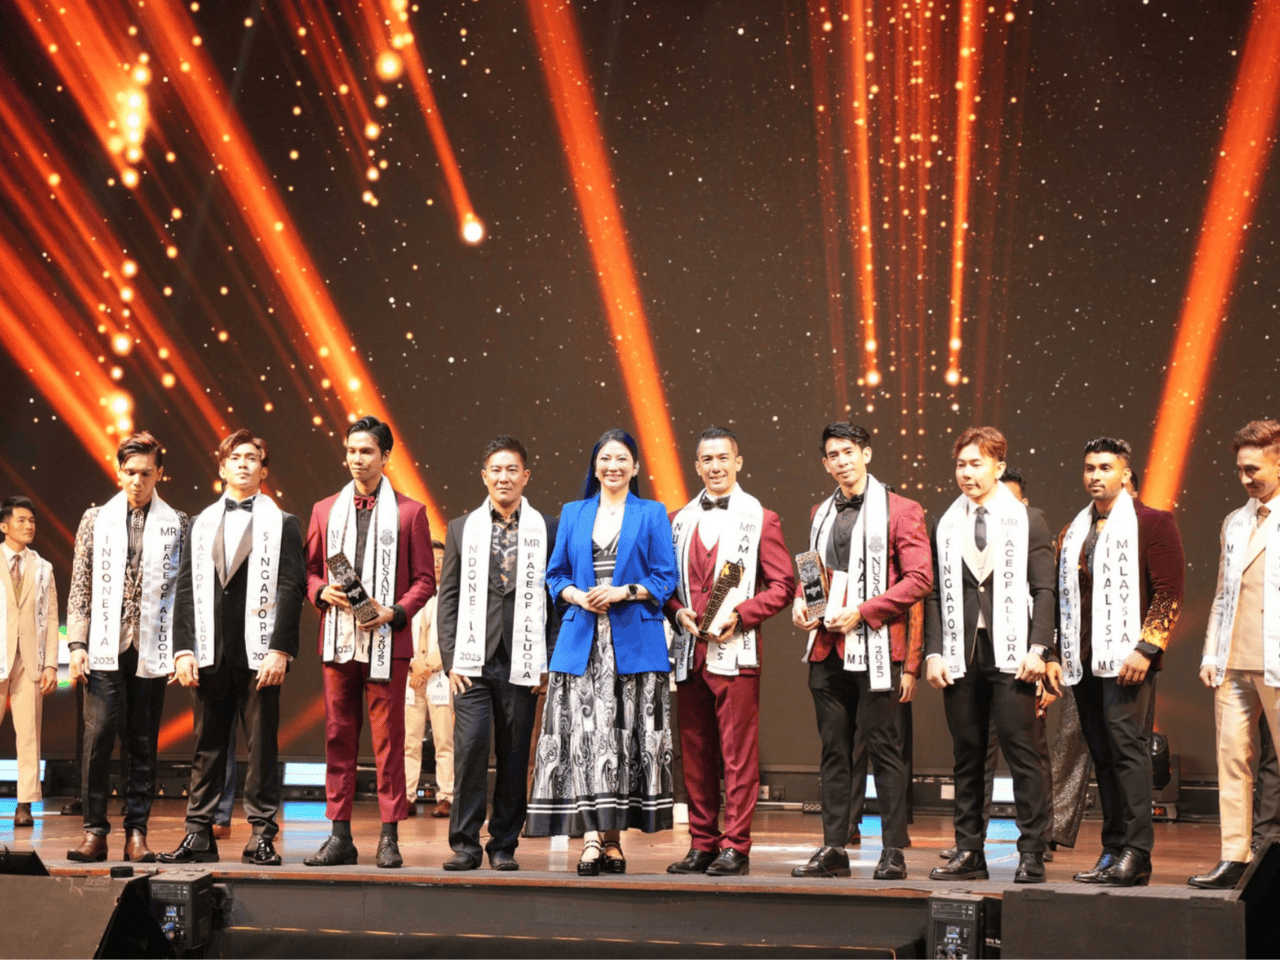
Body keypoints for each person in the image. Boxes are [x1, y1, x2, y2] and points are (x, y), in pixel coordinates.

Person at [526, 428, 678, 875]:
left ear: (634, 467)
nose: (613, 466)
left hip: (632, 642)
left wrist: (624, 591)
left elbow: (664, 578)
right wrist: (576, 595)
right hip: (582, 644)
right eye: (605, 459)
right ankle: (591, 839)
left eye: (622, 459)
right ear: (595, 467)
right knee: (585, 740)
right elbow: (554, 576)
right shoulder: (574, 513)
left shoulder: (652, 513)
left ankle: (614, 841)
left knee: (623, 741)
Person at [790, 423, 932, 880]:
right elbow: (813, 572)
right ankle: (834, 846)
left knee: (885, 750)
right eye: (832, 455)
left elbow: (919, 579)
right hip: (827, 647)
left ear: (866, 454)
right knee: (834, 750)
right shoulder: (819, 512)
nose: (841, 461)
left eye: (848, 452)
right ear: (825, 463)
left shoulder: (902, 509)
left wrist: (864, 611)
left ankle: (892, 850)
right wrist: (802, 602)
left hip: (876, 646)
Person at [159, 431, 305, 866]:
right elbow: (184, 589)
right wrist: (182, 648)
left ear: (264, 469)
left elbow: (291, 587)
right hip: (210, 652)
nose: (243, 464)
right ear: (221, 467)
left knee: (261, 746)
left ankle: (261, 834)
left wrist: (280, 649)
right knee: (206, 747)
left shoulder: (284, 522)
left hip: (258, 652)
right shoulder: (201, 522)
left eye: (252, 458)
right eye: (234, 457)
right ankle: (198, 833)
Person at [924, 426, 1056, 884]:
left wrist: (1040, 648)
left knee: (1023, 754)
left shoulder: (1028, 519)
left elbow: (1044, 588)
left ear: (998, 467)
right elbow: (937, 595)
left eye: (976, 463)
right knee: (968, 754)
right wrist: (935, 651)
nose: (967, 473)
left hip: (1014, 650)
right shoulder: (945, 522)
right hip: (963, 651)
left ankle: (1032, 850)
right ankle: (968, 851)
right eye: (961, 464)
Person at [303, 416, 435, 869]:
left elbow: (424, 581)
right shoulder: (324, 509)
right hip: (338, 643)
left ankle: (389, 835)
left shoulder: (409, 512)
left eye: (367, 452)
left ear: (385, 457)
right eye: (351, 451)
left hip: (386, 644)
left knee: (388, 741)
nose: (357, 459)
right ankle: (339, 834)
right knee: (339, 736)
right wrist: (321, 592)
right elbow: (312, 570)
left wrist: (394, 612)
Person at [663, 427, 794, 877]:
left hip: (736, 653)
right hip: (688, 652)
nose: (715, 467)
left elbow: (783, 586)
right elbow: (666, 586)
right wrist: (677, 611)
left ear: (738, 462)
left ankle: (736, 845)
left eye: (723, 458)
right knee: (695, 752)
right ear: (696, 466)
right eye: (706, 460)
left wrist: (741, 615)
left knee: (738, 755)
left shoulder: (762, 518)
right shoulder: (676, 520)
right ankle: (702, 841)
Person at [1057, 438, 1184, 887]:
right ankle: (1112, 850)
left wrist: (1147, 648)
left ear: (1126, 474)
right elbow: (1068, 600)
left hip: (1129, 659)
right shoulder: (1074, 530)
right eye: (1089, 467)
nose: (1095, 475)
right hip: (1084, 659)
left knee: (1128, 753)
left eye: (1105, 467)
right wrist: (1057, 653)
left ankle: (1137, 853)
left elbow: (1169, 591)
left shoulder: (1153, 522)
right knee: (1103, 756)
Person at [437, 436, 560, 872]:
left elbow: (556, 598)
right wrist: (450, 658)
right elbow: (447, 597)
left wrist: (547, 656)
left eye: (513, 470)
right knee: (470, 748)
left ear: (525, 476)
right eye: (496, 469)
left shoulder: (548, 528)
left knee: (513, 753)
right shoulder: (460, 528)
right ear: (484, 476)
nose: (504, 477)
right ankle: (465, 844)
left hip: (524, 659)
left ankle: (504, 843)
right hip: (473, 658)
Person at [65, 432, 188, 862]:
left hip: (149, 644)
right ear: (118, 472)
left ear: (160, 474)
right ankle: (95, 830)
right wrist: (75, 642)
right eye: (130, 472)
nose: (137, 480)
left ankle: (137, 831)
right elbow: (81, 582)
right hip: (103, 644)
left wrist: (180, 648)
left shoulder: (177, 522)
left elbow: (181, 591)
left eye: (146, 473)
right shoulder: (95, 518)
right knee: (97, 738)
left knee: (141, 742)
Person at [1192, 419, 1280, 889]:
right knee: (1232, 760)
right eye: (1241, 470)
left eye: (1254, 469)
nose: (1246, 479)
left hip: (1276, 659)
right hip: (1233, 662)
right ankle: (1234, 855)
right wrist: (1211, 653)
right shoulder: (1235, 520)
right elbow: (1224, 594)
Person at [1, 496, 60, 829]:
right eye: (21, 520)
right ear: (4, 525)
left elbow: (51, 618)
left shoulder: (43, 567)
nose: (28, 526)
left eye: (32, 521)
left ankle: (23, 803)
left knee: (28, 734)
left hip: (30, 660)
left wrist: (50, 664)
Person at [405, 539, 450, 817]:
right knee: (409, 739)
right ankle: (407, 794)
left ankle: (447, 796)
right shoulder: (410, 593)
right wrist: (413, 664)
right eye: (431, 559)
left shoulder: (454, 596)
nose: (436, 564)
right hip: (411, 675)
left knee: (445, 740)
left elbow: (455, 636)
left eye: (442, 560)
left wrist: (429, 665)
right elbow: (395, 628)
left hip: (440, 674)